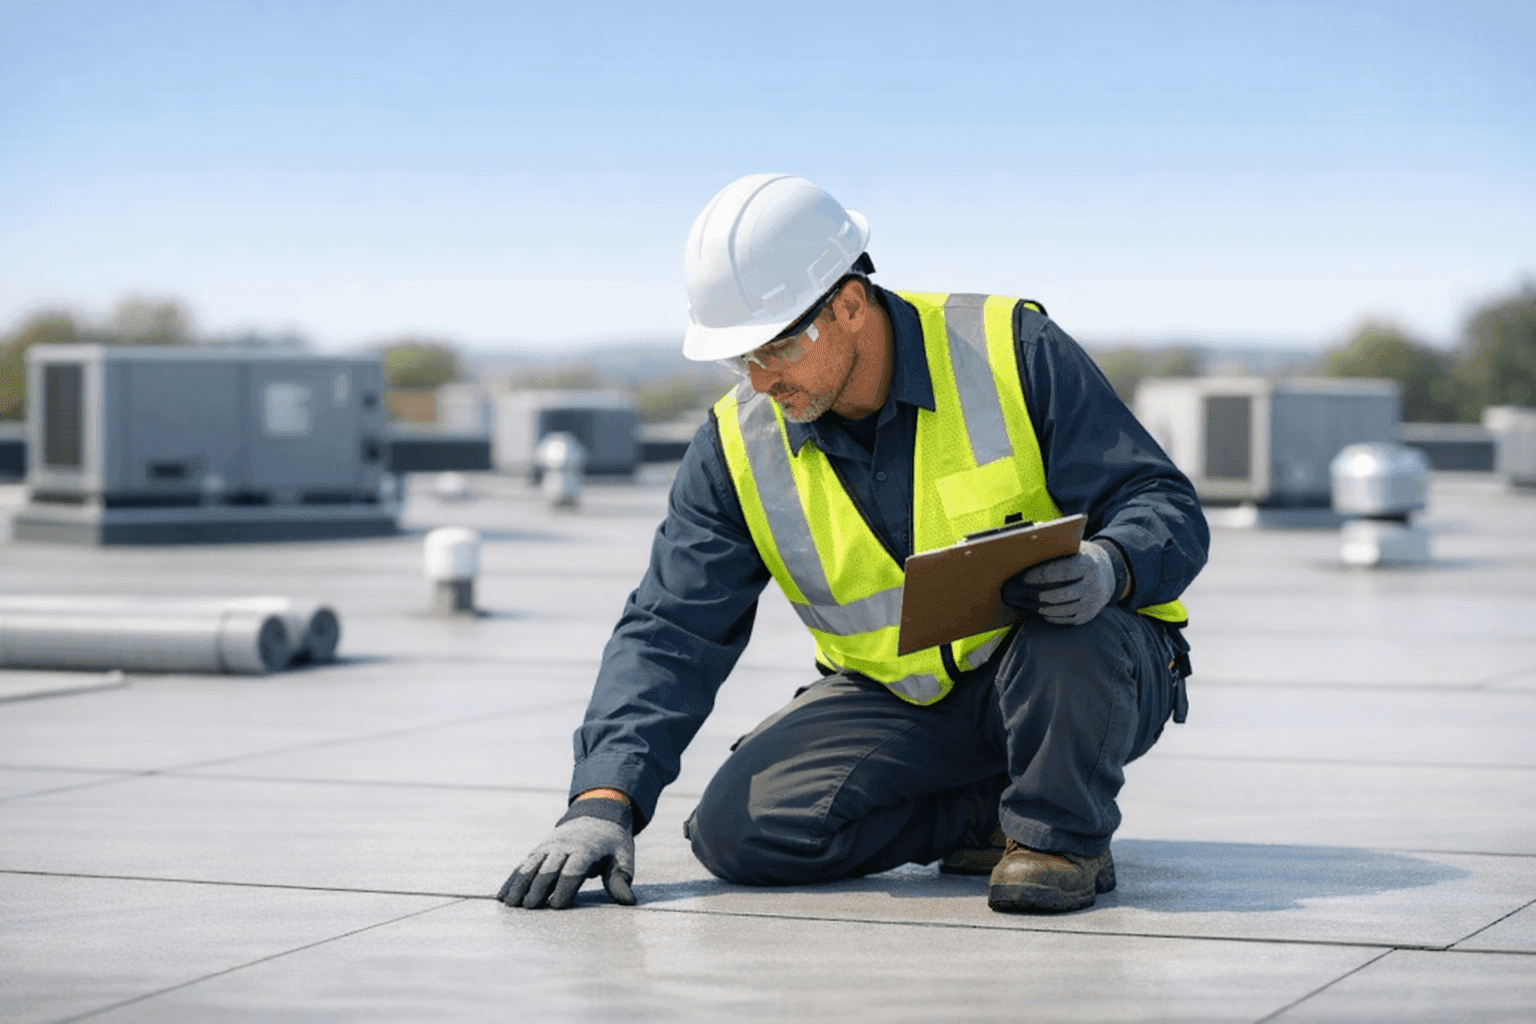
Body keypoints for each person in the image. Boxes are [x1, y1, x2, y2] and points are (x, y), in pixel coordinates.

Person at [497, 173, 1207, 915]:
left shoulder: (1011, 350)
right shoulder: (738, 447)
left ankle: (1056, 840)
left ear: (848, 305)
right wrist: (603, 799)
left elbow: (1163, 502)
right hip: (905, 701)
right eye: (740, 359)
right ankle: (983, 816)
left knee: (1068, 635)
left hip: (1072, 675)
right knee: (737, 831)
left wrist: (1110, 565)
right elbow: (672, 626)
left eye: (776, 348)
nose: (760, 380)